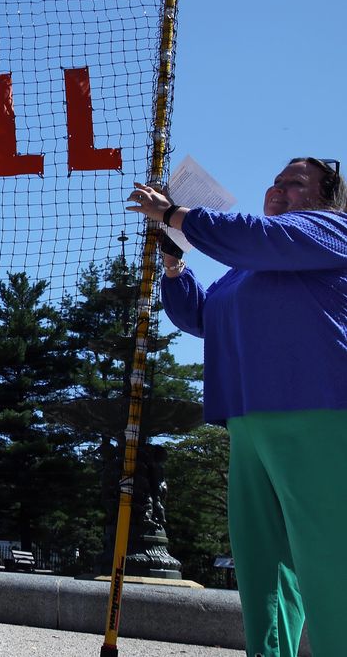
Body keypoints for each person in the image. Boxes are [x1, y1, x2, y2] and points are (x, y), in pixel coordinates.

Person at [127, 157, 347, 657]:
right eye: (274, 183)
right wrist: (174, 264)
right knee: (262, 562)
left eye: (295, 184)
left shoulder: (332, 228)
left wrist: (176, 215)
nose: (278, 191)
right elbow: (202, 317)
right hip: (247, 421)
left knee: (330, 558)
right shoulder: (246, 267)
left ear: (328, 197)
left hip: (319, 408)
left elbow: (252, 236)